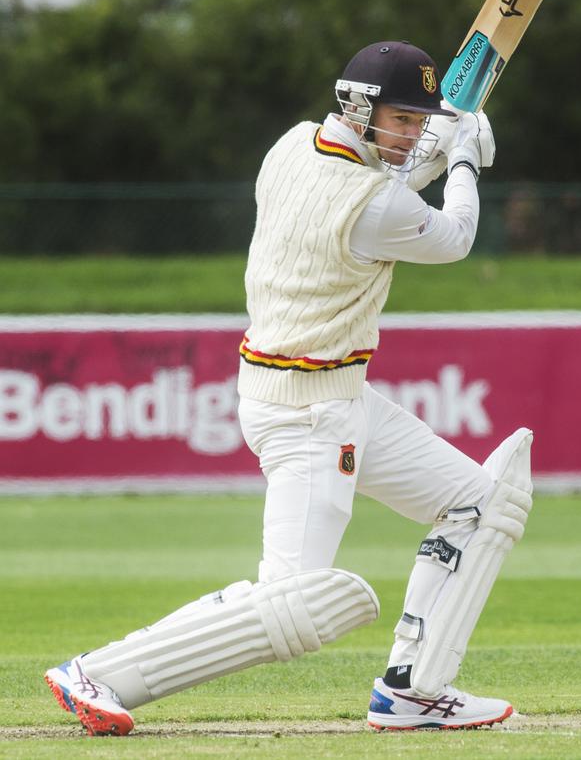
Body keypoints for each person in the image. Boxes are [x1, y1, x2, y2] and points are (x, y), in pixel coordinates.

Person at [44, 40, 533, 736]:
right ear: (359, 108)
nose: (411, 133)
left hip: (330, 393)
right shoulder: (371, 204)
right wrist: (459, 158)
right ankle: (100, 671)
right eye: (402, 118)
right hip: (311, 415)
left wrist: (432, 145)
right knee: (291, 602)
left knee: (482, 504)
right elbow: (451, 234)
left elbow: (383, 185)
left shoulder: (292, 146)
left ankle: (414, 689)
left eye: (420, 120)